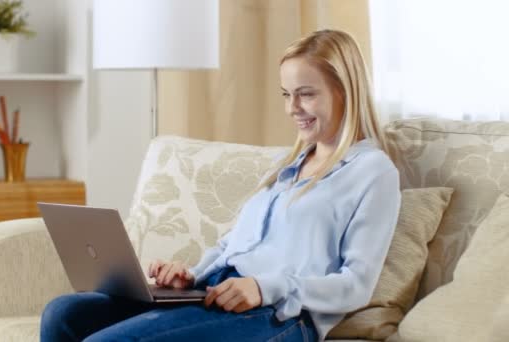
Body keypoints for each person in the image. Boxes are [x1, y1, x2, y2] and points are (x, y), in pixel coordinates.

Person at [40, 29, 401, 342]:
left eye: (306, 93)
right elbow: (233, 245)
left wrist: (264, 287)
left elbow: (356, 284)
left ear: (346, 92)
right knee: (64, 313)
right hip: (216, 290)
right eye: (285, 94)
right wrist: (191, 275)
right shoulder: (290, 167)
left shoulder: (372, 172)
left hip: (278, 313)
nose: (293, 108)